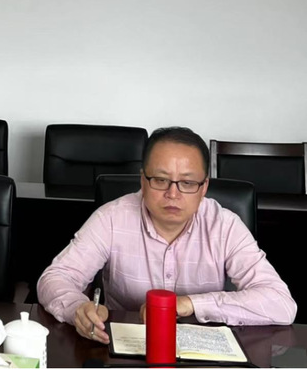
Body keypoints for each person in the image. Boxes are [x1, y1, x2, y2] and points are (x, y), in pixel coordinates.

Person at [38, 127, 296, 344]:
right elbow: (55, 278)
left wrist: (191, 304)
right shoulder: (111, 218)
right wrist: (78, 308)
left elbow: (281, 304)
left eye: (187, 183)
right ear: (143, 181)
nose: (173, 194)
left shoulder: (225, 225)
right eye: (160, 180)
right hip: (127, 347)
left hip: (203, 350)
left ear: (204, 187)